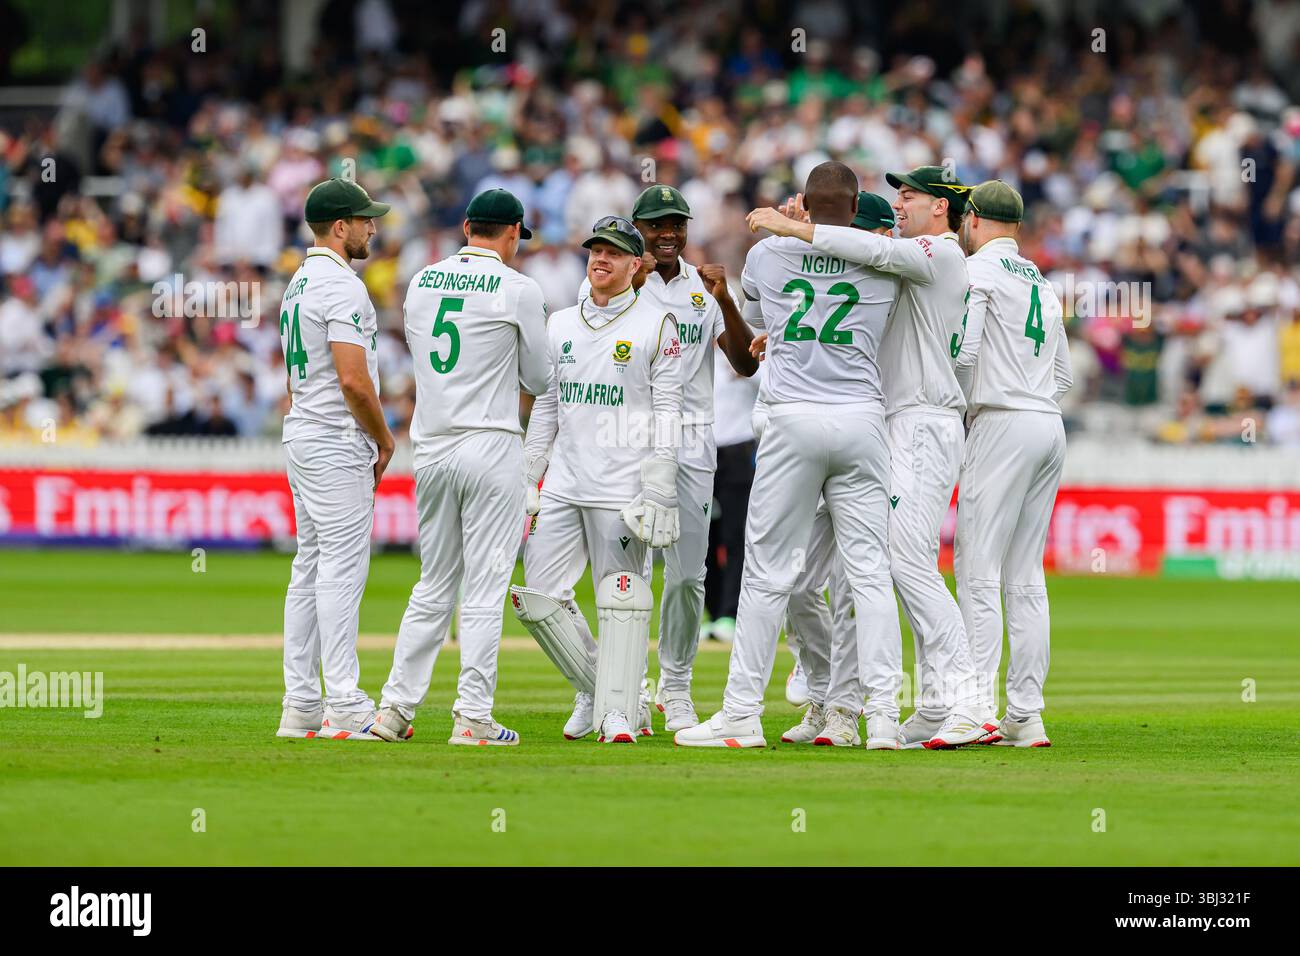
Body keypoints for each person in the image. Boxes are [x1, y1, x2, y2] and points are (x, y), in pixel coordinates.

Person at [747, 166, 988, 749]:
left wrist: (791, 228)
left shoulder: (941, 252)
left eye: (909, 196)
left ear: (943, 208)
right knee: (836, 575)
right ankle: (913, 705)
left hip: (920, 422)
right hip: (878, 424)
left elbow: (861, 248)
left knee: (901, 564)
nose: (899, 204)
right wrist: (782, 331)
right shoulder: (900, 258)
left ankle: (971, 699)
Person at [676, 162, 902, 750]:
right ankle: (880, 718)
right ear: (856, 209)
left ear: (805, 203)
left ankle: (741, 714)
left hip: (791, 418)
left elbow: (770, 304)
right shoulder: (886, 259)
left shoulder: (769, 258)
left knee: (768, 573)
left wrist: (785, 227)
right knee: (871, 575)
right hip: (861, 418)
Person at [369, 189, 549, 745]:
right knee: (486, 585)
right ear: (513, 232)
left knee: (433, 584)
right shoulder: (519, 288)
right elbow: (541, 381)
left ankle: (394, 710)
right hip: (491, 443)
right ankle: (472, 715)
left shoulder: (423, 281)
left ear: (467, 226)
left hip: (433, 445)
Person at [577, 184, 757, 732]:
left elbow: (745, 366)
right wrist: (626, 284)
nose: (669, 233)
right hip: (627, 438)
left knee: (686, 575)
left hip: (693, 439)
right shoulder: (613, 287)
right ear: (638, 231)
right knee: (624, 572)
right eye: (656, 225)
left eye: (676, 223)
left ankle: (675, 686)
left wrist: (726, 298)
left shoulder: (703, 293)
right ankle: (614, 689)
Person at [510, 216, 683, 744]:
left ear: (636, 265)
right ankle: (602, 690)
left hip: (622, 490)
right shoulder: (559, 323)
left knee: (621, 602)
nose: (600, 259)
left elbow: (669, 410)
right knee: (539, 596)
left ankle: (616, 712)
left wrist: (659, 486)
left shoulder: (658, 323)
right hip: (564, 483)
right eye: (594, 251)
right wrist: (529, 474)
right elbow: (547, 408)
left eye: (613, 253)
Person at [954, 180, 1072, 748]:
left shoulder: (977, 273)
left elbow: (965, 352)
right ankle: (1026, 713)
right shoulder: (1043, 286)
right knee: (1026, 577)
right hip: (1048, 423)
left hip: (1000, 420)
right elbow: (1065, 377)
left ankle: (974, 708)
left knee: (978, 572)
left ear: (973, 219)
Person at [276, 178, 394, 741]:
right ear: (340, 227)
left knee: (310, 567)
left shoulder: (298, 284)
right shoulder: (342, 288)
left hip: (303, 432)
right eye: (365, 218)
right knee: (342, 571)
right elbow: (354, 381)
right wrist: (384, 439)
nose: (374, 226)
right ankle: (344, 703)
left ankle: (300, 703)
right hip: (334, 439)